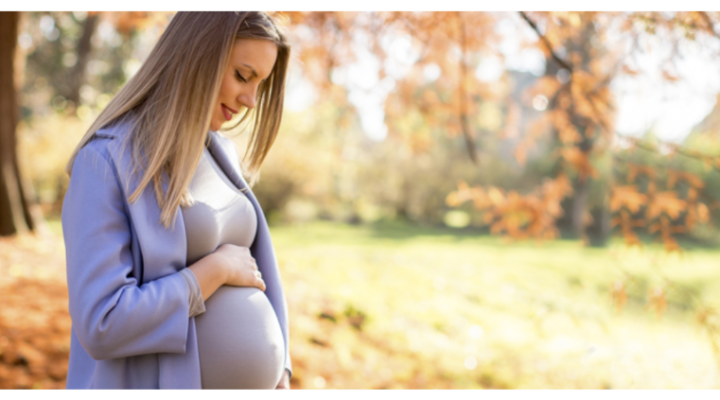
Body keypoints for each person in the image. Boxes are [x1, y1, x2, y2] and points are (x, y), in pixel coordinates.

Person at [62, 10, 292, 390]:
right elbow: (102, 322)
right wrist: (211, 273)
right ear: (198, 56)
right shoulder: (103, 163)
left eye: (260, 84)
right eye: (242, 75)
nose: (251, 100)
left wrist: (279, 368)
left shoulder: (222, 154)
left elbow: (258, 271)